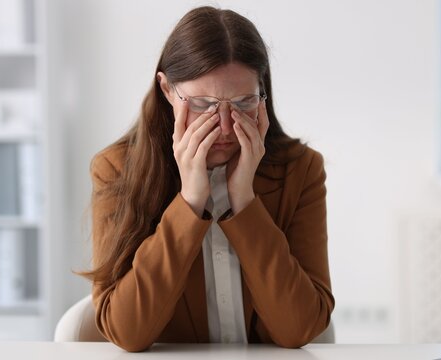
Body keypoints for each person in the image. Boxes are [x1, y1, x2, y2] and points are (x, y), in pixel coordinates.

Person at [85, 6, 334, 352]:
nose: (227, 126)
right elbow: (127, 332)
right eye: (203, 104)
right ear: (167, 90)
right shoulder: (116, 170)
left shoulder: (300, 170)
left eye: (244, 101)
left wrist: (244, 200)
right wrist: (189, 201)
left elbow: (300, 328)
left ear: (263, 93)